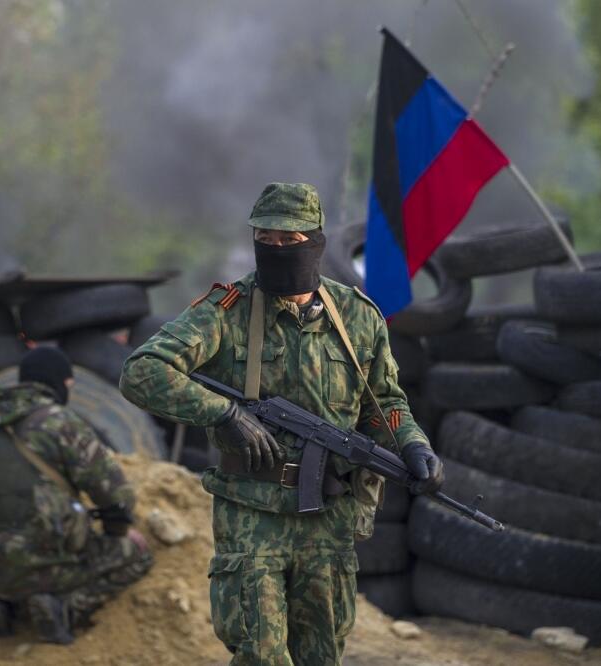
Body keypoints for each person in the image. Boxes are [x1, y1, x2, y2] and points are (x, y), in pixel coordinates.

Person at [119, 182, 443, 664]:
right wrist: (222, 413)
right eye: (265, 239)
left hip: (328, 518)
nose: (275, 248)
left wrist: (413, 445)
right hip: (252, 514)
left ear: (314, 241)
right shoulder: (224, 314)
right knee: (261, 655)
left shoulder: (357, 317)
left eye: (288, 241)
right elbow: (142, 371)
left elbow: (385, 404)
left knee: (321, 654)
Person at [0, 346, 152, 645]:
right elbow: (115, 495)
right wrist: (118, 533)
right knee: (138, 554)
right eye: (69, 386)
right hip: (52, 565)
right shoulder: (59, 422)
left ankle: (2, 603)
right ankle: (64, 607)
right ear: (58, 382)